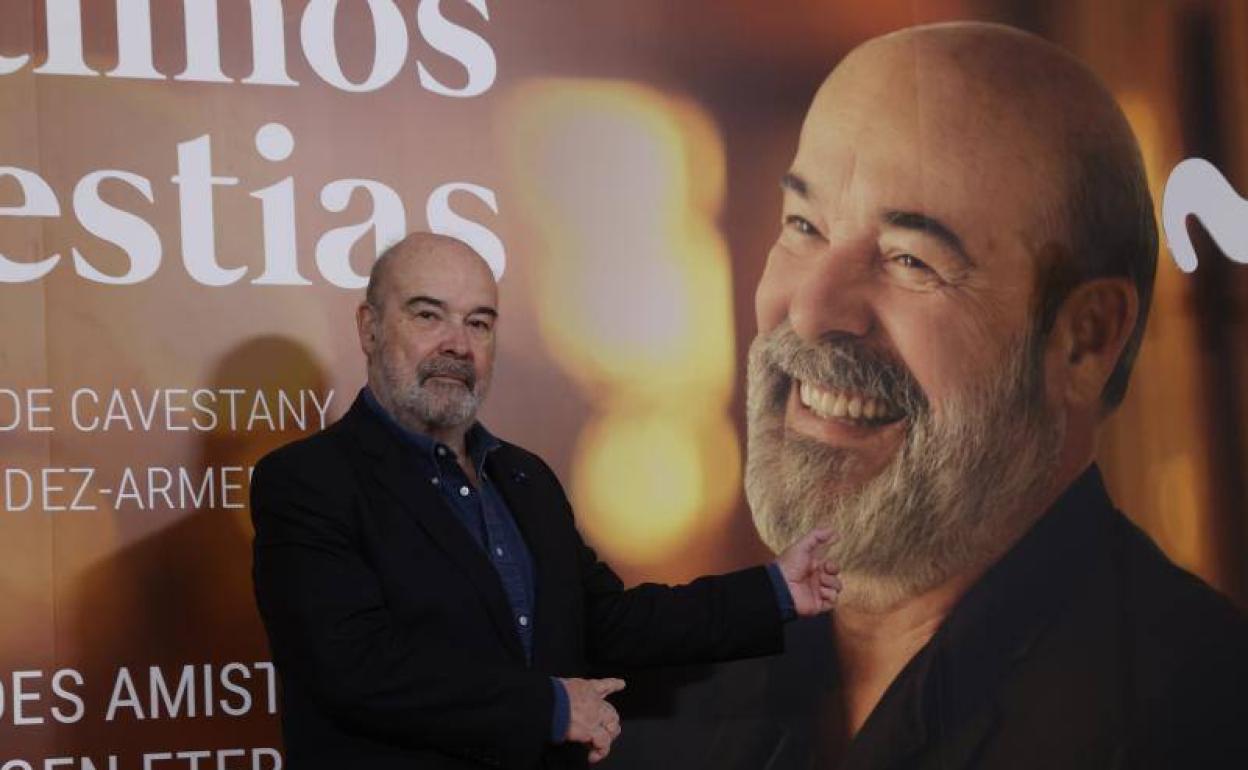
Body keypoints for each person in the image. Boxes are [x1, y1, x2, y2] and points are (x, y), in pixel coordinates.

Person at [605, 21, 1248, 770]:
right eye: (804, 225)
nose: (810, 309)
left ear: (1084, 340)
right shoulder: (665, 696)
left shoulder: (1201, 717)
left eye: (912, 258)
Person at [249, 231, 843, 769]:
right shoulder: (306, 481)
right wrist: (551, 708)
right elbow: (355, 669)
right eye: (429, 315)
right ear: (370, 328)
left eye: (480, 323)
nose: (457, 344)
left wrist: (772, 591)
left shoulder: (523, 477)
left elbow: (604, 621)